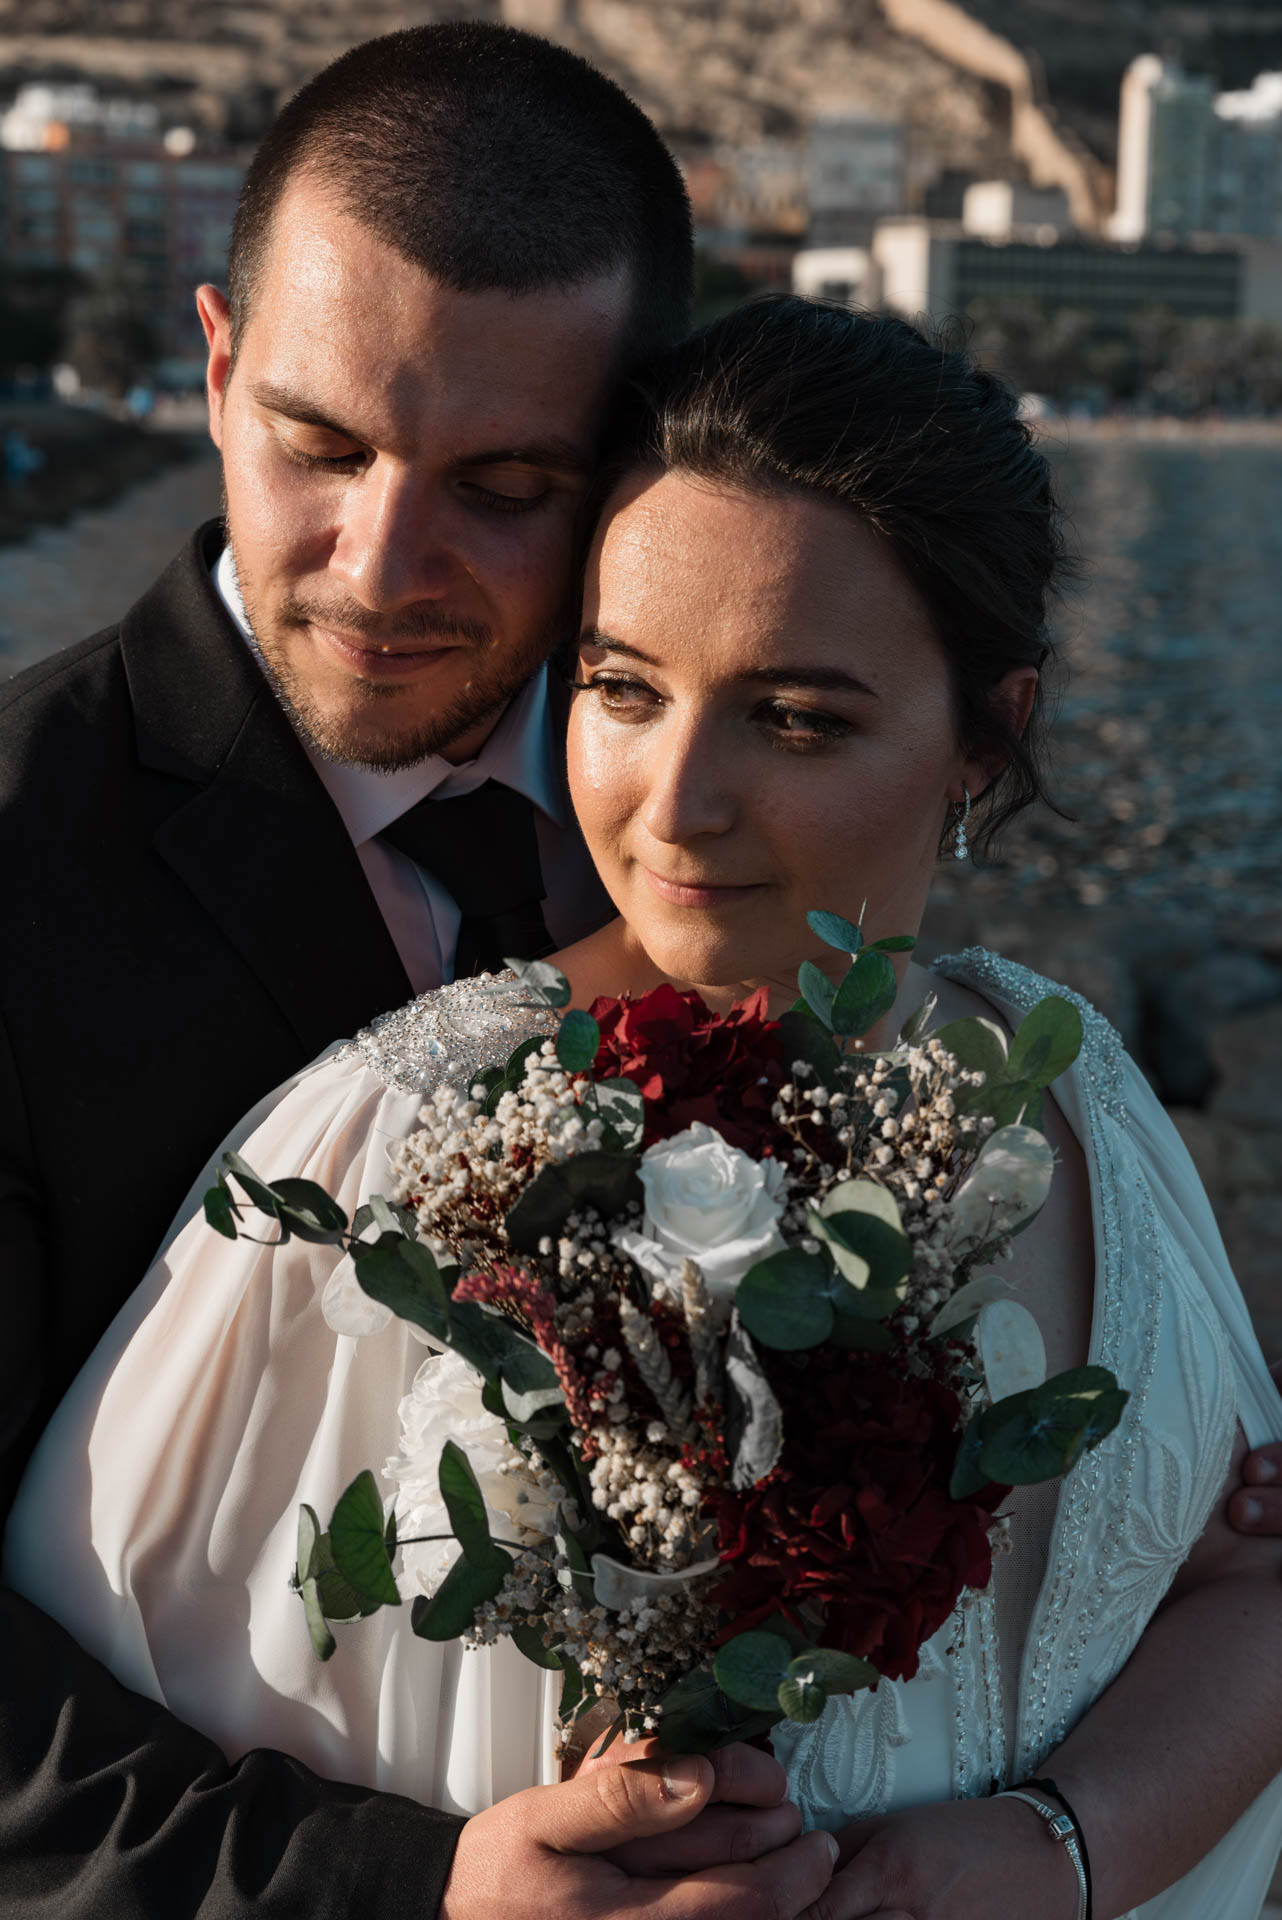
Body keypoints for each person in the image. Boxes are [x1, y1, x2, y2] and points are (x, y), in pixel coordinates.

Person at [9, 297, 1282, 1920]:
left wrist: (1062, 1851)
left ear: (986, 736)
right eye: (621, 691)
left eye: (796, 718)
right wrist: (435, 1891)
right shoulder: (394, 1141)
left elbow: (1247, 1587)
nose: (674, 805)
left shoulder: (1078, 1095)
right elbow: (109, 1725)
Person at [0, 26, 831, 1919]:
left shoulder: (753, 831)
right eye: (319, 448)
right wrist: (405, 1892)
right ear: (217, 368)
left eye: (504, 485)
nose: (381, 567)